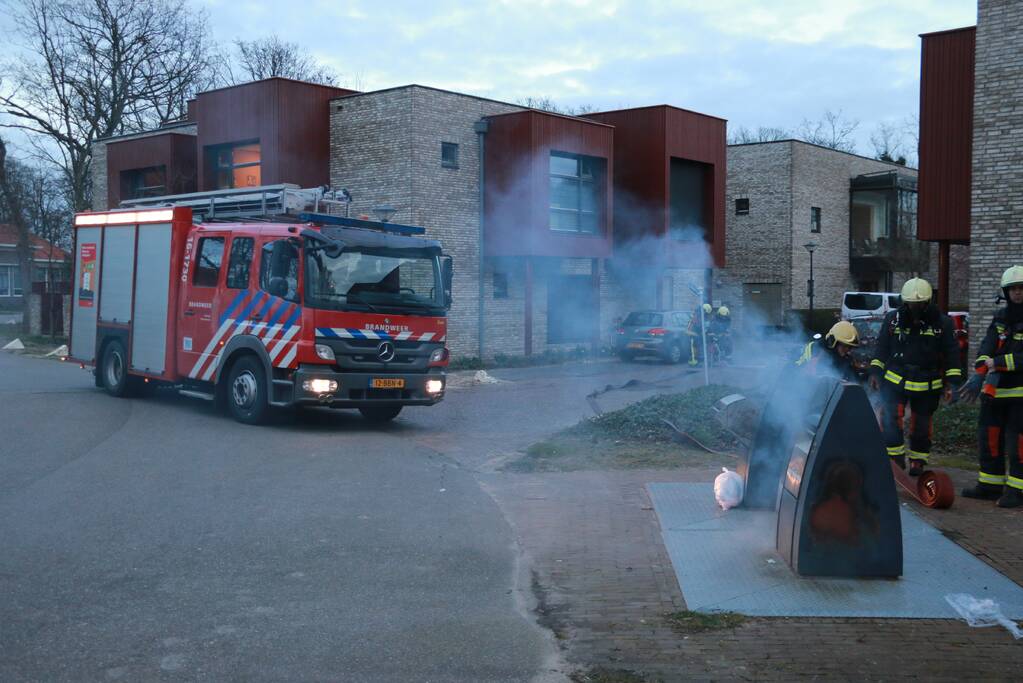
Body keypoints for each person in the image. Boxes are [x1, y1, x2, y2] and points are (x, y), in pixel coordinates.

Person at [868, 278, 963, 476]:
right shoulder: (893, 320)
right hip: (895, 380)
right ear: (904, 302)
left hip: (928, 383)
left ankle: (918, 462)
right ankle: (894, 459)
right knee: (890, 419)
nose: (915, 308)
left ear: (928, 302)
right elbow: (881, 348)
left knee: (921, 425)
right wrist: (876, 372)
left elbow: (952, 354)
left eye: (919, 304)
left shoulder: (942, 324)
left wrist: (953, 384)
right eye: (911, 304)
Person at [960, 265, 1023, 508]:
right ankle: (989, 485)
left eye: (1021, 288)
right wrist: (978, 374)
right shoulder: (1001, 318)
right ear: (1006, 293)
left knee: (1017, 444)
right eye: (1013, 289)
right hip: (995, 392)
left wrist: (997, 362)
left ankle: (1017, 491)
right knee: (989, 437)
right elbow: (987, 345)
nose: (1017, 293)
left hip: (1020, 395)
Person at [795, 320, 860, 383]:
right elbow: (793, 371)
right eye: (845, 346)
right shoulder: (814, 349)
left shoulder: (847, 359)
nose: (848, 350)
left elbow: (855, 382)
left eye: (850, 347)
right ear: (833, 342)